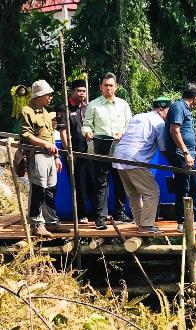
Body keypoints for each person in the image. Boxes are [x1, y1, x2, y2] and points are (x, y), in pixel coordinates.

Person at [113, 96, 172, 234]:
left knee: (133, 193)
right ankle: (146, 226)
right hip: (135, 159)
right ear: (162, 110)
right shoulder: (160, 124)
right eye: (168, 111)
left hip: (119, 157)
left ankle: (141, 223)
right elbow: (163, 148)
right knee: (152, 192)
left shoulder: (138, 116)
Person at [20, 80, 70, 237]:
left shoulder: (47, 114)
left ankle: (52, 222)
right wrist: (44, 145)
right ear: (39, 95)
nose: (50, 97)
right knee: (38, 190)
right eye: (48, 95)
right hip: (37, 155)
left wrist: (56, 157)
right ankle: (36, 224)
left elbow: (49, 136)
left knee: (50, 190)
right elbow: (25, 134)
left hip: (49, 156)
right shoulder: (27, 111)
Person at [82, 72, 132, 230]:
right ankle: (100, 218)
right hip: (100, 149)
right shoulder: (93, 105)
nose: (108, 88)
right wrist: (87, 132)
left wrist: (122, 133)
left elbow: (130, 126)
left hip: (119, 150)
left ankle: (119, 212)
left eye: (111, 85)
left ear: (115, 87)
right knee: (101, 184)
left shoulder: (123, 105)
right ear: (100, 87)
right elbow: (86, 124)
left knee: (121, 182)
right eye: (105, 85)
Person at [165, 83, 196, 231]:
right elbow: (174, 131)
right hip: (181, 154)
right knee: (183, 187)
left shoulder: (187, 109)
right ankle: (182, 221)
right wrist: (185, 152)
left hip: (191, 154)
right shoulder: (178, 107)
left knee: (195, 186)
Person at [56, 79, 95, 224]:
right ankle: (82, 215)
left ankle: (97, 214)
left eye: (84, 91)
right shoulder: (64, 108)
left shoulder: (88, 107)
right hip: (75, 153)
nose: (82, 94)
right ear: (72, 92)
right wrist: (68, 153)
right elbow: (63, 133)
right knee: (78, 184)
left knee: (93, 183)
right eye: (79, 91)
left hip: (90, 151)